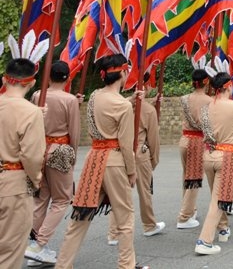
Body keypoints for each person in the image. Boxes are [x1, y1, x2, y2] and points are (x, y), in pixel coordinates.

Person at [56, 53, 138, 269]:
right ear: (122, 72)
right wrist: (132, 171)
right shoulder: (122, 106)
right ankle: (126, 265)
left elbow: (108, 110)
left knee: (81, 215)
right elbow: (126, 144)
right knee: (125, 217)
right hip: (115, 161)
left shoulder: (95, 96)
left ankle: (63, 264)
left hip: (94, 158)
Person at [0, 34, 46, 268]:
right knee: (9, 250)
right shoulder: (30, 112)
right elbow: (32, 156)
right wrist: (36, 179)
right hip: (12, 182)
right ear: (31, 82)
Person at [27, 60, 79, 265]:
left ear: (49, 76)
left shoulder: (38, 95)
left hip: (40, 149)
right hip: (60, 151)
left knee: (42, 197)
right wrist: (72, 155)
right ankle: (39, 244)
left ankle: (34, 246)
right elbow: (74, 131)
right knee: (62, 199)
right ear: (67, 78)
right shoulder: (69, 100)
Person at [194, 59, 233, 255]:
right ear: (228, 86)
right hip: (227, 155)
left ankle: (223, 227)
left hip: (208, 154)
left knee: (218, 195)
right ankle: (204, 240)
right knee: (219, 198)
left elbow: (203, 128)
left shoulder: (206, 108)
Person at [109, 79, 164, 243]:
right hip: (139, 152)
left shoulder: (121, 105)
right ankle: (149, 225)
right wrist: (154, 160)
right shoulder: (148, 110)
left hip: (119, 151)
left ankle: (114, 233)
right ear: (145, 87)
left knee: (117, 195)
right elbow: (153, 139)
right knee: (144, 192)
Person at [177, 59, 213, 229]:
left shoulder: (184, 98)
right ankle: (184, 216)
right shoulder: (209, 101)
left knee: (187, 177)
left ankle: (190, 209)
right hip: (198, 141)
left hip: (184, 140)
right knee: (194, 179)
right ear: (206, 82)